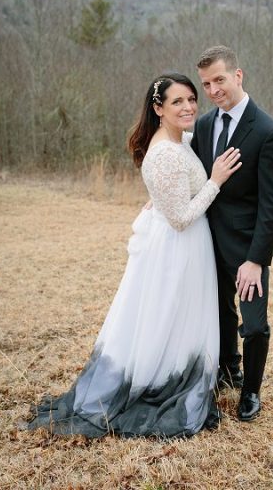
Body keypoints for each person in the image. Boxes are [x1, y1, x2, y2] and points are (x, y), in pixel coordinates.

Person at [27, 74, 241, 437]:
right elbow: (180, 218)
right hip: (178, 247)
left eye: (191, 98)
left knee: (178, 318)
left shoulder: (181, 140)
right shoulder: (162, 154)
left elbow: (175, 183)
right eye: (177, 101)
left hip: (190, 247)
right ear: (158, 109)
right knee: (165, 316)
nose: (189, 106)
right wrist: (215, 180)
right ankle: (159, 381)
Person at [191, 46, 273, 421]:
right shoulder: (202, 126)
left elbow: (271, 206)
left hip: (247, 247)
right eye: (206, 84)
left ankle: (250, 391)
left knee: (255, 323)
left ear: (238, 75)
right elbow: (196, 179)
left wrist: (256, 260)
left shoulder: (267, 131)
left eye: (219, 80)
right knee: (218, 312)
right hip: (205, 241)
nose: (213, 90)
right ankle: (228, 369)